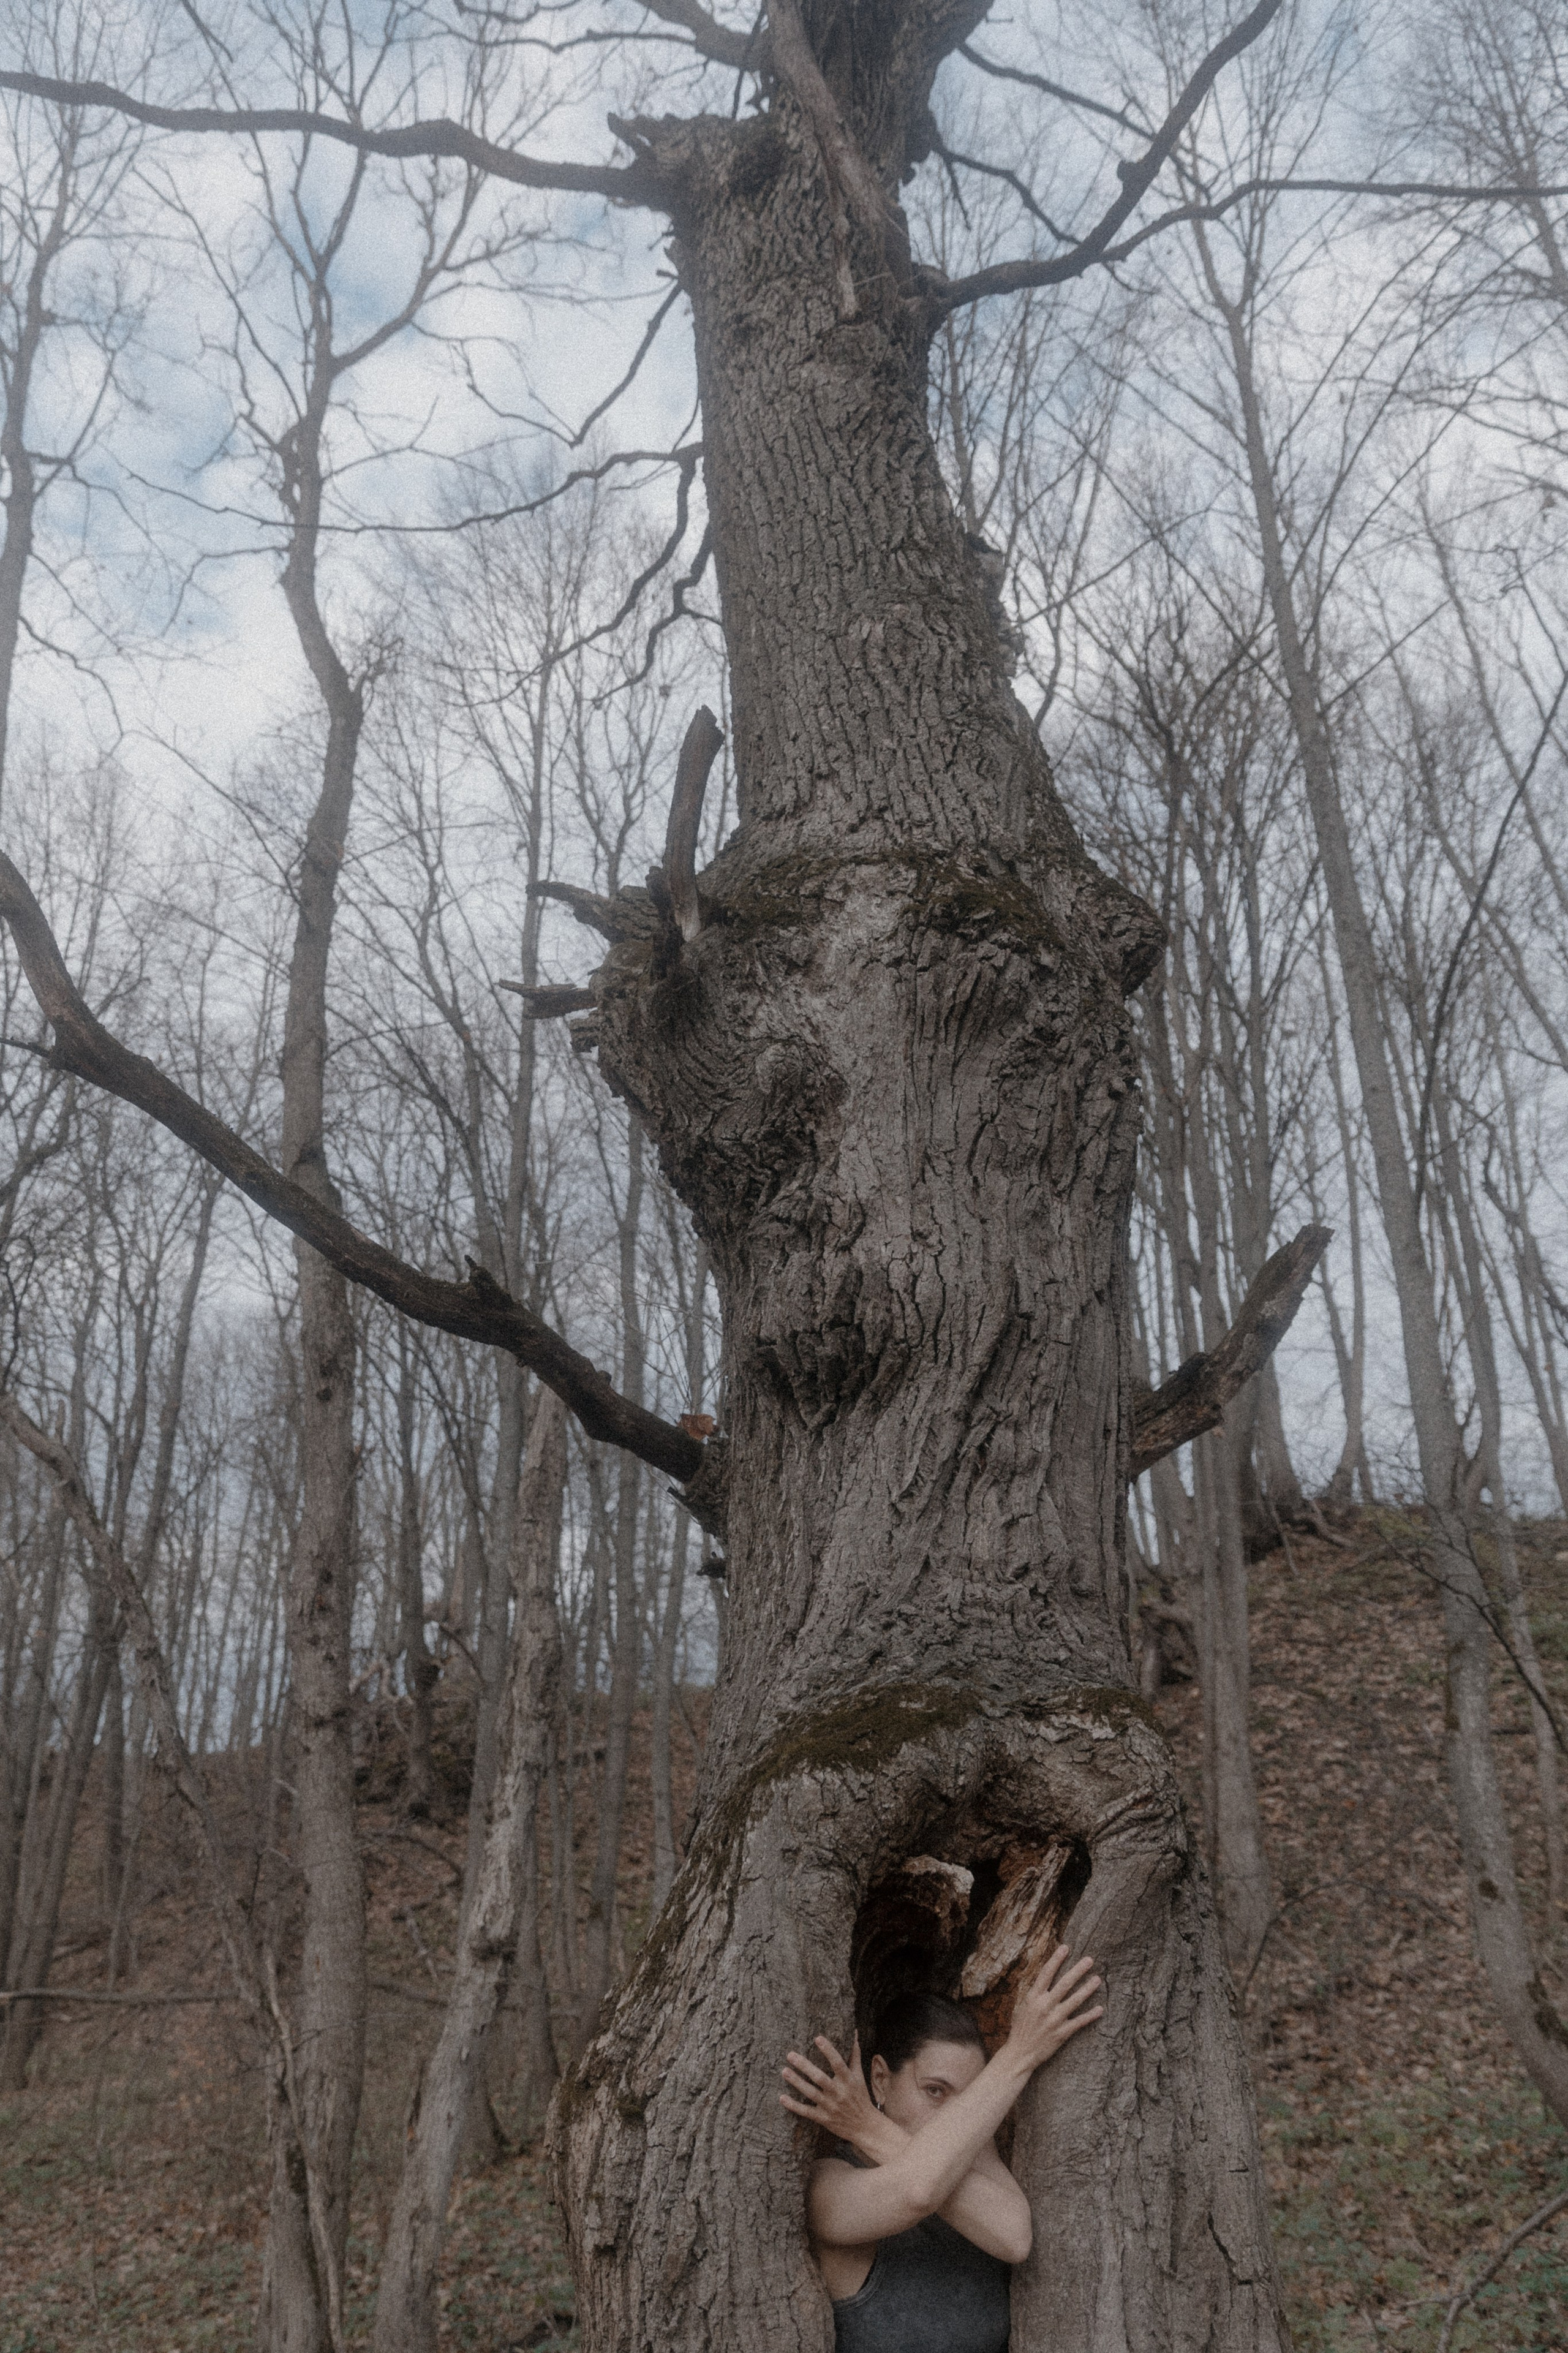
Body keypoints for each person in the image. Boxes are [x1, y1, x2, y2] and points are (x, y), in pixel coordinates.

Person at [778, 1946, 1104, 2352]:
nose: (955, 2117)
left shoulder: (976, 2154)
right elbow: (917, 2191)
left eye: (970, 2101)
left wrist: (868, 2126)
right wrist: (1020, 2054)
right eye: (935, 2090)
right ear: (880, 2079)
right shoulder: (828, 2184)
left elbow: (1014, 2237)